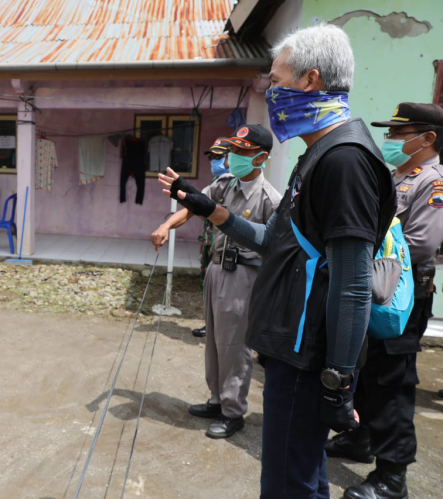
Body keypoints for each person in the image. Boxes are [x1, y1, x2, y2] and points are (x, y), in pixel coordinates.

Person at [158, 24, 396, 496]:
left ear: (309, 81)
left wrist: (338, 380)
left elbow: (351, 284)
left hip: (309, 359)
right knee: (299, 474)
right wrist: (212, 210)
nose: (269, 90)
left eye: (275, 79)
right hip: (291, 349)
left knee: (289, 482)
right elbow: (275, 241)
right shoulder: (317, 155)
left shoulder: (344, 161)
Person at [329, 103, 443, 499]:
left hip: (403, 296)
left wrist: (362, 249)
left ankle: (392, 477)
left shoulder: (433, 181)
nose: (391, 140)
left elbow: (421, 242)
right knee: (365, 367)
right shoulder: (397, 175)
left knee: (392, 382)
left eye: (400, 133)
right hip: (375, 285)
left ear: (427, 138)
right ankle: (359, 439)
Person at [151, 125, 281, 439]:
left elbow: (274, 248)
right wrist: (166, 224)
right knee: (213, 343)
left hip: (244, 276)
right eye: (233, 149)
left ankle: (233, 412)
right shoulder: (225, 184)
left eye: (242, 151)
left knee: (235, 347)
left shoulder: (270, 199)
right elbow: (194, 207)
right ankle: (216, 400)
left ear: (261, 157)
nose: (234, 156)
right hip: (216, 270)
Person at [193, 137, 232, 338]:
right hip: (209, 239)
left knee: (224, 286)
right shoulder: (215, 183)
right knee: (207, 283)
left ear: (230, 158)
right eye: (212, 157)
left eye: (218, 157)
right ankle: (210, 324)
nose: (213, 161)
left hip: (226, 245)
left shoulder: (235, 183)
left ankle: (221, 328)